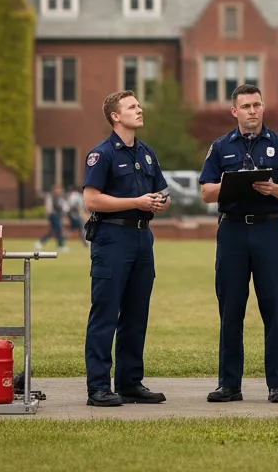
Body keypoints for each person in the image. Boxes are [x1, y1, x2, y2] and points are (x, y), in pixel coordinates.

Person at [200, 83, 278, 404]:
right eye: (245, 106)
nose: (252, 111)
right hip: (232, 231)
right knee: (231, 309)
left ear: (263, 107)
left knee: (274, 308)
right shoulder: (221, 147)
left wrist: (274, 189)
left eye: (256, 105)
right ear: (235, 111)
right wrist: (231, 183)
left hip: (268, 231)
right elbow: (206, 192)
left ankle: (277, 384)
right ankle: (229, 384)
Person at [82, 89, 170, 407]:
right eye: (132, 107)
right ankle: (98, 387)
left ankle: (130, 383)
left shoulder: (146, 153)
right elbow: (91, 200)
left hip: (142, 239)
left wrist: (160, 202)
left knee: (136, 314)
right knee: (105, 313)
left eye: (139, 105)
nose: (139, 109)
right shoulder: (102, 154)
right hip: (112, 239)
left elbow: (161, 190)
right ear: (115, 116)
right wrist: (136, 202)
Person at [36, 185, 67, 250]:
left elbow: (63, 206)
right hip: (53, 216)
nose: (60, 191)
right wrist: (49, 212)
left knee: (53, 231)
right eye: (58, 189)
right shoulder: (51, 196)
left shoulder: (60, 197)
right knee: (58, 229)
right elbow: (48, 207)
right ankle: (61, 245)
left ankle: (41, 242)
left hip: (58, 215)